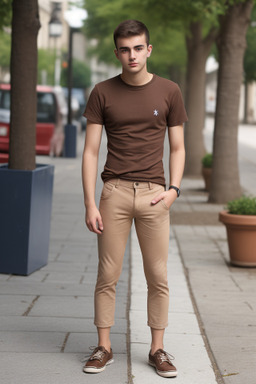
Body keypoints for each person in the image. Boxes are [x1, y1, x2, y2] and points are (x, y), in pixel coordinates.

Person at [82, 19, 188, 378]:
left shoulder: (169, 91)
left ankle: (157, 349)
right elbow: (90, 152)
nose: (132, 55)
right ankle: (103, 347)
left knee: (157, 275)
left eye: (138, 48)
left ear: (148, 49)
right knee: (107, 274)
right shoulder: (102, 92)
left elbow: (177, 147)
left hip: (155, 196)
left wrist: (173, 190)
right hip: (114, 192)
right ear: (117, 53)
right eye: (125, 49)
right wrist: (90, 203)